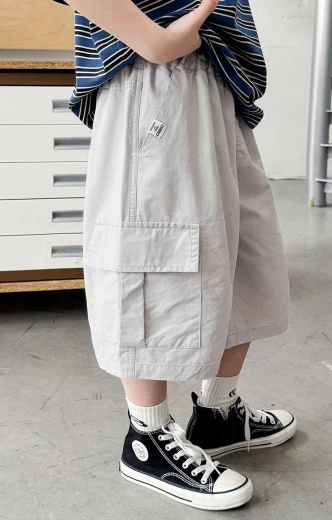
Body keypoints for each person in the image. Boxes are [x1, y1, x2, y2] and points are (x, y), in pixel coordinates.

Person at [53, 0, 296, 510]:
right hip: (151, 84)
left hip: (217, 85)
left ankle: (218, 414)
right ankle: (147, 437)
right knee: (152, 254)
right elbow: (157, 44)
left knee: (244, 254)